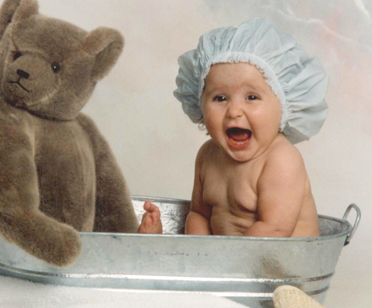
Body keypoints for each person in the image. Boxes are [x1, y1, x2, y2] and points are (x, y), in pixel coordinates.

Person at [138, 19, 328, 237]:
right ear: (199, 103)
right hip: (224, 263)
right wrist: (196, 258)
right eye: (220, 98)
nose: (234, 111)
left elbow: (274, 230)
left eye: (252, 97)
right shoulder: (208, 156)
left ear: (283, 107)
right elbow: (199, 215)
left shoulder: (281, 160)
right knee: (151, 245)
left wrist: (221, 264)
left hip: (281, 266)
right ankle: (152, 240)